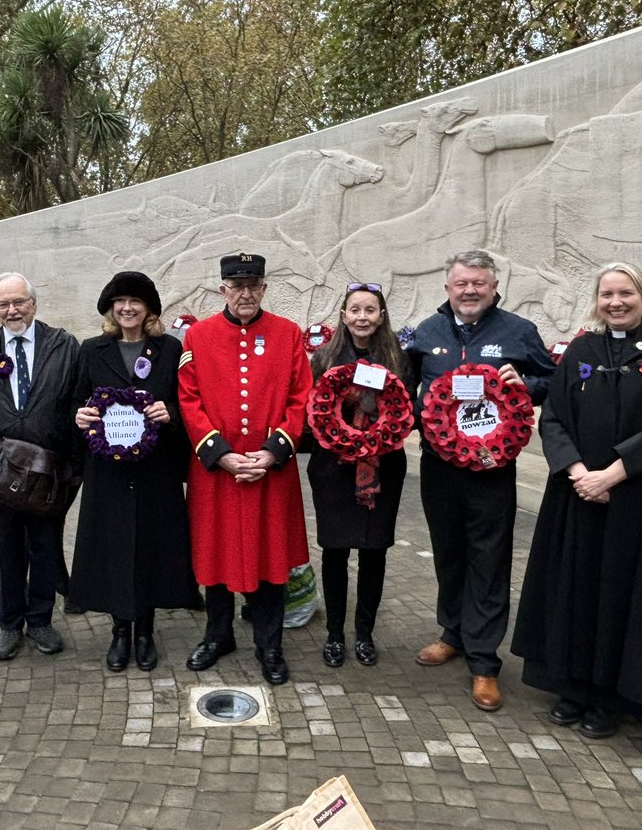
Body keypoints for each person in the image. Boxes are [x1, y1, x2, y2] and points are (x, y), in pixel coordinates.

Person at [511, 263, 642, 740]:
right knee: (578, 591)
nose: (615, 302)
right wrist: (579, 473)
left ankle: (613, 699)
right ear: (596, 301)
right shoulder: (582, 349)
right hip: (579, 497)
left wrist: (615, 472)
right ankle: (573, 687)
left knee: (624, 596)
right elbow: (553, 417)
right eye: (606, 294)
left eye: (625, 293)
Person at [405, 250, 554, 712]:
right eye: (461, 283)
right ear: (447, 287)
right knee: (448, 552)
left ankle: (485, 662)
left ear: (494, 287)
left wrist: (524, 384)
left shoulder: (518, 332)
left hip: (492, 471)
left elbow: (552, 382)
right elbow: (402, 392)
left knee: (489, 559)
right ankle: (453, 632)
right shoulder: (425, 334)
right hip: (438, 467)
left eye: (479, 283)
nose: (470, 291)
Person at [178, 253, 312, 685]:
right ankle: (218, 636)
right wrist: (220, 453)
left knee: (270, 555)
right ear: (223, 290)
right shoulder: (197, 337)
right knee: (214, 551)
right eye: (237, 286)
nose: (246, 293)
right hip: (217, 471)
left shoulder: (288, 335)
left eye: (253, 284)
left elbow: (300, 398)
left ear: (264, 288)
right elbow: (188, 399)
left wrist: (273, 452)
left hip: (269, 471)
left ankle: (269, 644)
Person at [69, 272, 200, 671]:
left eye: (136, 302)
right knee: (114, 547)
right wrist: (80, 415)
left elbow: (187, 402)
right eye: (120, 301)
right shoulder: (92, 350)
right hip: (107, 474)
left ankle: (144, 630)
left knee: (150, 549)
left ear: (149, 310)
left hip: (155, 471)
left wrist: (170, 414)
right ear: (111, 307)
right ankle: (119, 631)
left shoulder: (169, 349)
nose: (127, 308)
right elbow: (75, 402)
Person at [0, 272, 80, 661]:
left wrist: (77, 468)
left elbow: (79, 406)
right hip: (1, 475)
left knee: (45, 548)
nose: (13, 310)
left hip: (50, 474)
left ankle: (41, 621)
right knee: (7, 552)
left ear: (34, 302)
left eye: (19, 302)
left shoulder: (64, 346)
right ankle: (10, 625)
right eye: (3, 304)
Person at [306, 282, 412, 669]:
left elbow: (407, 410)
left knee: (373, 550)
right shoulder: (322, 359)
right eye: (355, 310)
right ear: (343, 315)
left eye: (370, 310)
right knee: (334, 550)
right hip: (333, 469)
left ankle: (364, 634)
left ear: (381, 316)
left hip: (382, 469)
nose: (362, 317)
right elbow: (311, 413)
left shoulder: (399, 359)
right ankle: (335, 634)